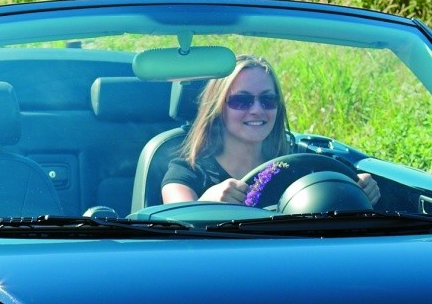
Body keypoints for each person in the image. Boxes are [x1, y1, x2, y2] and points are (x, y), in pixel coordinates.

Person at [159, 55, 380, 205]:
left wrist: (360, 188)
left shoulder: (300, 165)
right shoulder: (185, 173)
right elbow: (178, 234)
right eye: (242, 101)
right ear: (218, 108)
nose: (257, 110)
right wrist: (205, 204)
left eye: (267, 100)